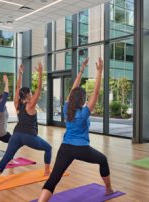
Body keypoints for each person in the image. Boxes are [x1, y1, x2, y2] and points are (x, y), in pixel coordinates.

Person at [37, 58, 114, 202]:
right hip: (81, 148)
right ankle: (109, 189)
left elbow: (73, 89)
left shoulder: (67, 108)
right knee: (103, 160)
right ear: (83, 100)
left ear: (72, 98)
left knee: (54, 179)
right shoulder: (83, 112)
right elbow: (96, 93)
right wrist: (100, 72)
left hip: (65, 148)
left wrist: (82, 69)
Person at [0, 63, 52, 188]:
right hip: (29, 137)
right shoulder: (30, 105)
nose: (32, 94)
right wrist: (40, 73)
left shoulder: (17, 105)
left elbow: (17, 89)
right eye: (30, 93)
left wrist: (20, 74)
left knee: (6, 158)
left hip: (16, 135)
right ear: (28, 95)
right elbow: (39, 90)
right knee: (48, 148)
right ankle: (46, 171)